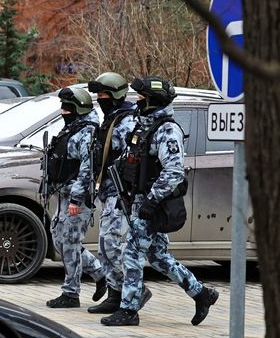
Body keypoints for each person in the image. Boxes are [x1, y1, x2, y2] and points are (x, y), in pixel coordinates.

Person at [101, 76, 219, 326]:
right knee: (157, 256)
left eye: (142, 99)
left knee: (130, 252)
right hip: (140, 200)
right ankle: (202, 293)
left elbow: (173, 172)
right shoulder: (143, 126)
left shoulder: (167, 130)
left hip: (155, 205)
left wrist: (151, 202)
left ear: (153, 101)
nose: (137, 102)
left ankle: (129, 309)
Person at [86, 73, 151, 314]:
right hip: (108, 190)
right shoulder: (111, 118)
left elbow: (130, 158)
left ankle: (132, 290)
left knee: (110, 243)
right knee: (105, 245)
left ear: (114, 95)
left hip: (121, 193)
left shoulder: (126, 120)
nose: (99, 99)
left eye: (102, 95)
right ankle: (116, 293)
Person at [44, 87, 106, 308]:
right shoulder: (72, 128)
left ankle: (71, 293)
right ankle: (100, 275)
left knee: (70, 242)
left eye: (68, 108)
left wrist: (76, 200)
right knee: (59, 239)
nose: (63, 112)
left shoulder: (87, 132)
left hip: (76, 198)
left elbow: (87, 171)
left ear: (78, 109)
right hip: (63, 194)